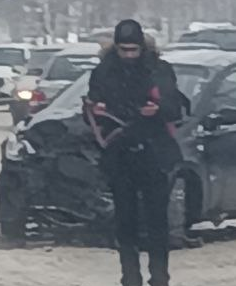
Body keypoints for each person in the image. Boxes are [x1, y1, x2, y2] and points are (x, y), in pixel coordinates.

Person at [87, 19, 183, 286]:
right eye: (123, 50)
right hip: (120, 154)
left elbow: (177, 107)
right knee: (125, 221)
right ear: (115, 48)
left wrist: (159, 109)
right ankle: (130, 277)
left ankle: (160, 277)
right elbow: (91, 108)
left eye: (134, 50)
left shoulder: (159, 70)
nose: (129, 55)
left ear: (142, 47)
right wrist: (96, 111)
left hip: (154, 151)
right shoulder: (104, 72)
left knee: (157, 221)